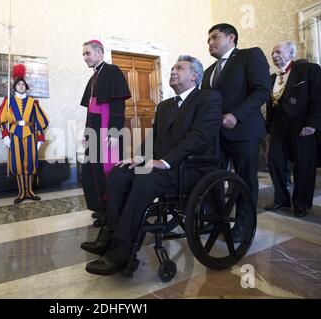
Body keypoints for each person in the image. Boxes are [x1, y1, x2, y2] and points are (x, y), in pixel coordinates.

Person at [81, 55, 222, 276]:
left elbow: (199, 138)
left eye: (180, 68)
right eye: (172, 68)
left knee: (145, 177)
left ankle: (122, 251)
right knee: (120, 172)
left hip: (190, 168)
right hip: (161, 166)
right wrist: (137, 158)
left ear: (194, 76)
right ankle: (108, 236)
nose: (173, 71)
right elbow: (154, 138)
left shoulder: (209, 98)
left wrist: (165, 161)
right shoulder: (165, 105)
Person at [201, 23, 271, 241]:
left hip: (244, 130)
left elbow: (262, 90)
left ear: (231, 37)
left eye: (215, 37)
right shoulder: (208, 71)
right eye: (208, 40)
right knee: (212, 179)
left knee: (245, 180)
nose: (210, 43)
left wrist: (236, 115)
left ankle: (243, 224)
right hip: (216, 136)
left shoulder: (250, 56)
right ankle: (216, 220)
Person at [264, 42, 321, 217]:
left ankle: (301, 203)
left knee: (304, 165)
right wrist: (268, 129)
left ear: (291, 52)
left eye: (278, 51)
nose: (274, 55)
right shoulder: (271, 78)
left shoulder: (308, 69)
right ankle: (281, 199)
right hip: (278, 127)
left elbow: (319, 98)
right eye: (272, 52)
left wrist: (313, 123)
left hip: (302, 125)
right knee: (274, 161)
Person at [80, 40, 131, 227]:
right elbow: (90, 111)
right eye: (83, 54)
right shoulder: (93, 77)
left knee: (107, 171)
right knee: (92, 170)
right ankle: (101, 207)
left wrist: (114, 132)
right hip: (95, 130)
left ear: (99, 52)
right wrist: (87, 134)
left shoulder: (112, 71)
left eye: (88, 53)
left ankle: (112, 211)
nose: (85, 58)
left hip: (107, 130)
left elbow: (118, 105)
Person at [0, 64, 49, 204]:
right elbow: (1, 121)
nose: (21, 86)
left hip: (31, 135)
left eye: (23, 84)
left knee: (30, 164)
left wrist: (40, 139)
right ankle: (21, 192)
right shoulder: (8, 101)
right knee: (18, 164)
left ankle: (30, 191)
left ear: (26, 87)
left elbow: (39, 121)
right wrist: (5, 136)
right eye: (18, 84)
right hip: (15, 135)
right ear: (14, 87)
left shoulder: (33, 102)